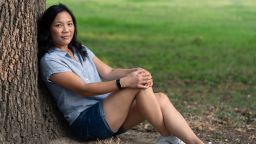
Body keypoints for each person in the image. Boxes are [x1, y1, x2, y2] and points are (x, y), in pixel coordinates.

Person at [38, 3, 204, 144]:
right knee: (136, 85)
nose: (66, 30)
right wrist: (125, 82)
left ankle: (196, 142)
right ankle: (168, 138)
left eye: (69, 24)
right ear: (48, 29)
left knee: (160, 98)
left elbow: (108, 71)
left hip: (110, 114)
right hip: (87, 122)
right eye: (58, 25)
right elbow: (84, 89)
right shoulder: (50, 60)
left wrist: (134, 71)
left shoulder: (80, 50)